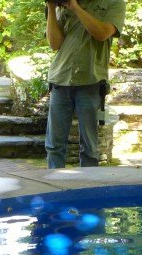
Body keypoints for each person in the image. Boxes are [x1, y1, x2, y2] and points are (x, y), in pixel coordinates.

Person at [44, 0, 126, 169]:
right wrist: (51, 7)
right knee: (54, 146)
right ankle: (54, 187)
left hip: (91, 81)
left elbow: (102, 33)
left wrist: (75, 7)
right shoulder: (61, 6)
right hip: (60, 79)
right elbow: (54, 44)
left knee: (89, 147)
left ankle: (88, 186)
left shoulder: (114, 3)